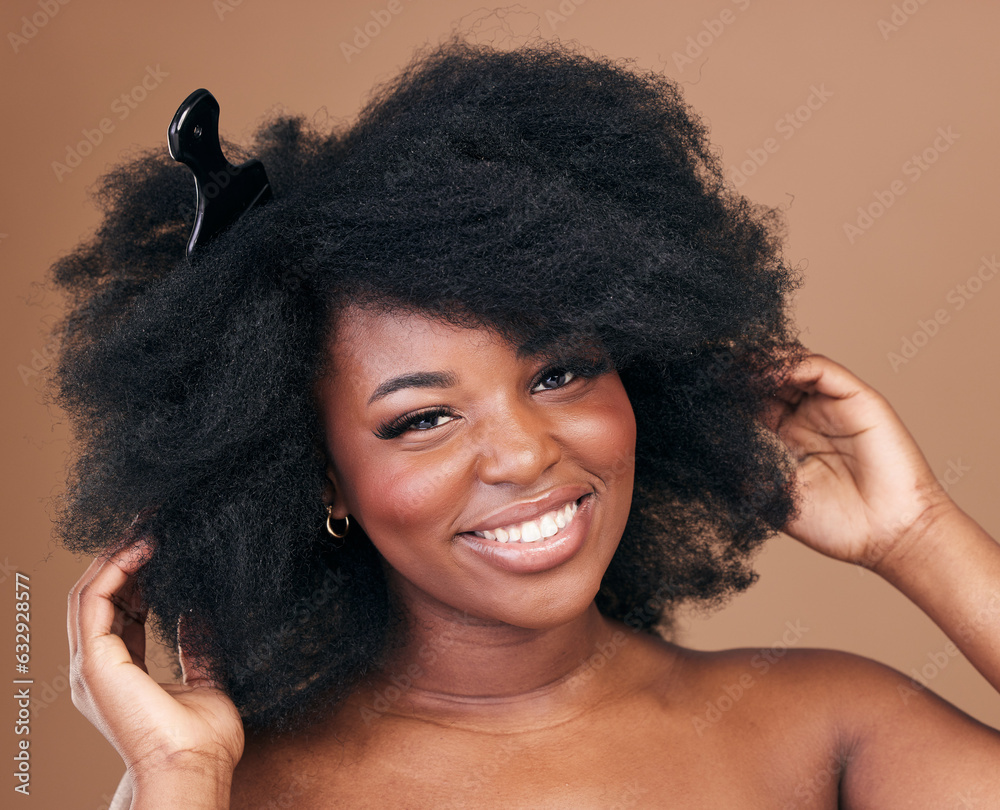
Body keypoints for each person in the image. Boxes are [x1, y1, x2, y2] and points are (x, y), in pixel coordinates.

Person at [57, 38, 1000, 809]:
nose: (522, 453)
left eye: (558, 371)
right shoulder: (233, 787)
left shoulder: (824, 727)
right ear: (320, 476)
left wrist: (920, 536)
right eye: (423, 417)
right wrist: (178, 778)